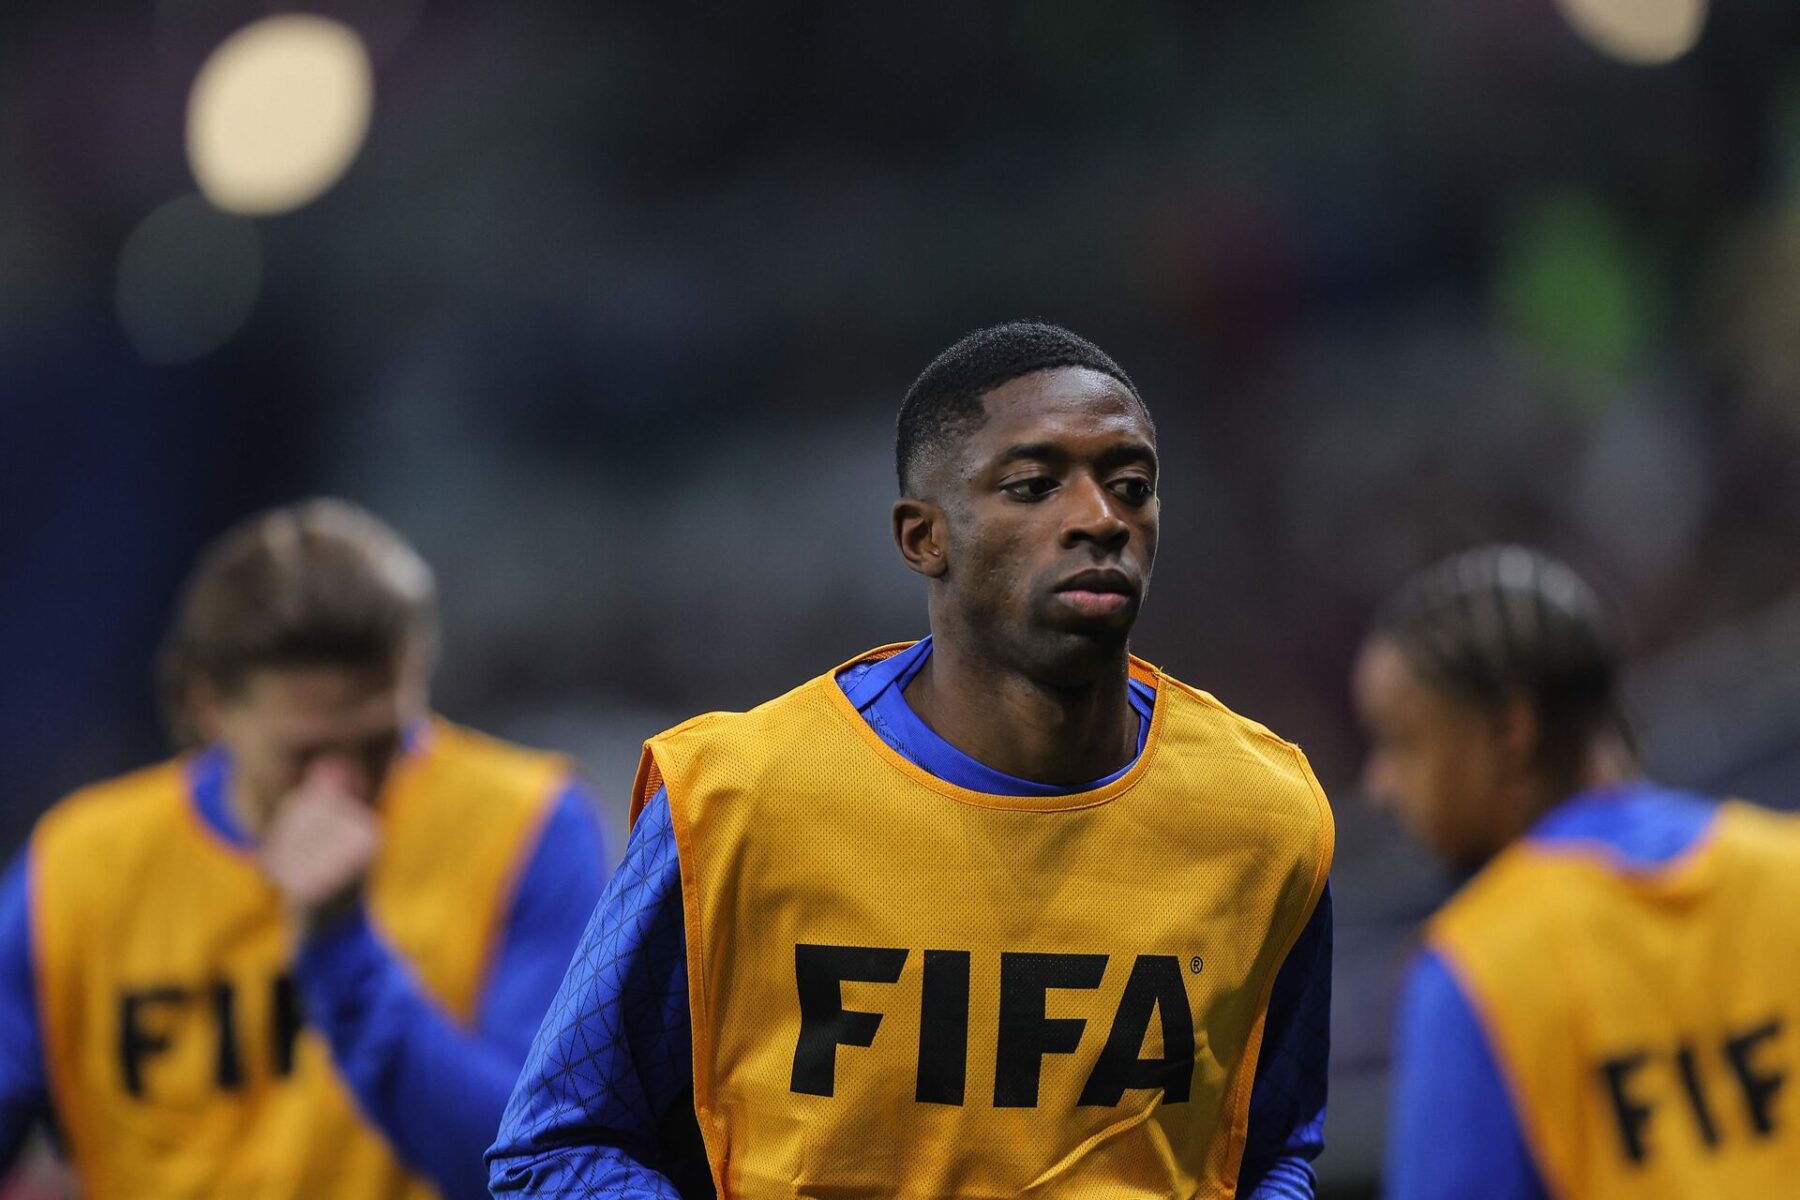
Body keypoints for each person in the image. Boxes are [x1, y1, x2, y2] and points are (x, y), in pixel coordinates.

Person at [488, 321, 1335, 1198]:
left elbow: (1270, 1150)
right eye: (1035, 485)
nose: (1099, 519)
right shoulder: (736, 801)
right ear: (923, 537)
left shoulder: (1264, 816)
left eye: (1131, 485)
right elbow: (557, 1148)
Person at [0, 499, 610, 1200]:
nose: (341, 784)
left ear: (414, 673)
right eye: (305, 752)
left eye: (379, 740)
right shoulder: (81, 866)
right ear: (208, 707)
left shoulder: (529, 825)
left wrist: (342, 954)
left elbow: (535, 1171)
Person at [1355, 545, 1800, 1200]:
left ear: (1511, 729)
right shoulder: (1787, 869)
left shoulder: (1474, 967)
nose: (1381, 785)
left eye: (1402, 741)